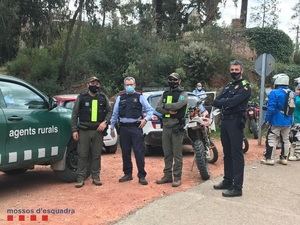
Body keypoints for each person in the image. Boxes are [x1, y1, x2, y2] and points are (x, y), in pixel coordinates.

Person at [212, 60, 251, 197]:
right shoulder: (229, 86)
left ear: (242, 71)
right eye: (232, 69)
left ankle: (237, 187)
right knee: (227, 153)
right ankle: (227, 180)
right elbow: (216, 101)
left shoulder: (245, 86)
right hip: (225, 121)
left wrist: (225, 103)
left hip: (236, 122)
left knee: (236, 154)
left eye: (236, 69)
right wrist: (226, 103)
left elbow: (234, 102)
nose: (234, 72)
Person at [110, 76, 153, 185]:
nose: (129, 86)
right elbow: (115, 114)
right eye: (127, 85)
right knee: (125, 152)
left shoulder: (140, 97)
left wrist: (146, 119)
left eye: (131, 84)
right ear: (124, 86)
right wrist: (111, 127)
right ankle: (128, 174)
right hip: (123, 128)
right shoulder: (120, 97)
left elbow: (150, 110)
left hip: (136, 128)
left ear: (134, 85)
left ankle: (142, 176)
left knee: (139, 152)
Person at [71, 76, 111, 188]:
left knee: (96, 155)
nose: (95, 85)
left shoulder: (103, 97)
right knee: (82, 155)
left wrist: (105, 122)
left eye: (97, 83)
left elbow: (109, 112)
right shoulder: (82, 97)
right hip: (84, 130)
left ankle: (96, 177)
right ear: (88, 85)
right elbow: (74, 114)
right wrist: (74, 129)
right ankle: (80, 178)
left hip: (98, 131)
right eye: (93, 83)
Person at [155, 72, 188, 187]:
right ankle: (167, 176)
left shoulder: (183, 93)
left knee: (177, 154)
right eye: (170, 80)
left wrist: (166, 106)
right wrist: (168, 110)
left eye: (175, 80)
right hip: (166, 127)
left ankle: (177, 177)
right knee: (167, 153)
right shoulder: (165, 93)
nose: (172, 82)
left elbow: (180, 104)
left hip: (177, 127)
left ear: (179, 81)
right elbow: (158, 107)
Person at [261, 73, 293, 166]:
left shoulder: (274, 92)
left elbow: (271, 108)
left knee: (271, 138)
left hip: (276, 119)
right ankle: (284, 158)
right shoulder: (291, 92)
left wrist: (267, 120)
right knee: (286, 139)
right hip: (288, 120)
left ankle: (269, 159)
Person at [289, 83, 300, 161]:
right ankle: (292, 153)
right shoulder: (295, 98)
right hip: (293, 121)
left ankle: (297, 154)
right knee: (293, 138)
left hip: (298, 121)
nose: (297, 91)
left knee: (297, 138)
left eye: (298, 89)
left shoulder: (297, 99)